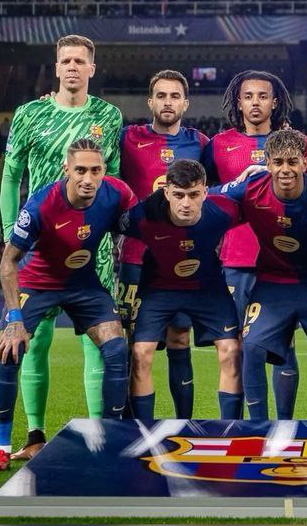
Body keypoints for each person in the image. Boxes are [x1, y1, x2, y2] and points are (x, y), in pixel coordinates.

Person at [0, 34, 122, 459]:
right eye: (65, 60)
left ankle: (100, 435)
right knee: (34, 340)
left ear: (91, 68)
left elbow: (114, 183)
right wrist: (9, 233)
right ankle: (35, 435)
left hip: (92, 247)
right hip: (39, 246)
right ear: (56, 68)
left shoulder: (109, 116)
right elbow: (11, 176)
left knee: (98, 341)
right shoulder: (30, 114)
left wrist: (111, 235)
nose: (72, 66)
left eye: (79, 61)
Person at [0, 139, 135, 471]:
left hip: (84, 285)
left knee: (116, 350)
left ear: (104, 171)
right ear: (66, 169)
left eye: (95, 170)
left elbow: (139, 222)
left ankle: (110, 438)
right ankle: (1, 447)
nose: (88, 179)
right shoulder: (41, 204)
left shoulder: (117, 193)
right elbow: (8, 262)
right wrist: (14, 319)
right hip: (38, 284)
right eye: (80, 170)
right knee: (11, 349)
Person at [217, 129, 307, 421]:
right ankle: (258, 428)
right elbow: (206, 198)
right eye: (278, 162)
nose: (285, 170)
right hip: (272, 284)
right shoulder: (250, 188)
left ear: (305, 163)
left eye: (293, 162)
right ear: (267, 163)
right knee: (252, 347)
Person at [202, 71, 307, 419]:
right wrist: (235, 185)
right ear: (238, 102)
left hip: (284, 258)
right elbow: (202, 194)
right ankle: (239, 428)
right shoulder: (218, 145)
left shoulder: (297, 143)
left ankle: (283, 426)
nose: (255, 102)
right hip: (237, 258)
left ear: (275, 101)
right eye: (248, 96)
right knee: (236, 347)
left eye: (263, 96)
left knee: (285, 346)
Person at [118, 159, 242, 421]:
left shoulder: (224, 211)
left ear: (205, 192)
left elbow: (260, 201)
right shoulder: (142, 216)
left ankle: (231, 428)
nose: (186, 203)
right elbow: (103, 222)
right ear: (166, 192)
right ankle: (144, 431)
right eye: (179, 195)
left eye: (194, 195)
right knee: (140, 354)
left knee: (231, 350)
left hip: (207, 289)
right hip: (159, 289)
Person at [119, 70, 209, 419]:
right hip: (136, 257)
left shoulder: (201, 144)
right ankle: (136, 428)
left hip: (181, 259)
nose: (168, 102)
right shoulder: (128, 138)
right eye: (161, 95)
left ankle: (183, 424)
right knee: (136, 346)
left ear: (185, 103)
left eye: (175, 96)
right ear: (150, 102)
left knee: (179, 339)